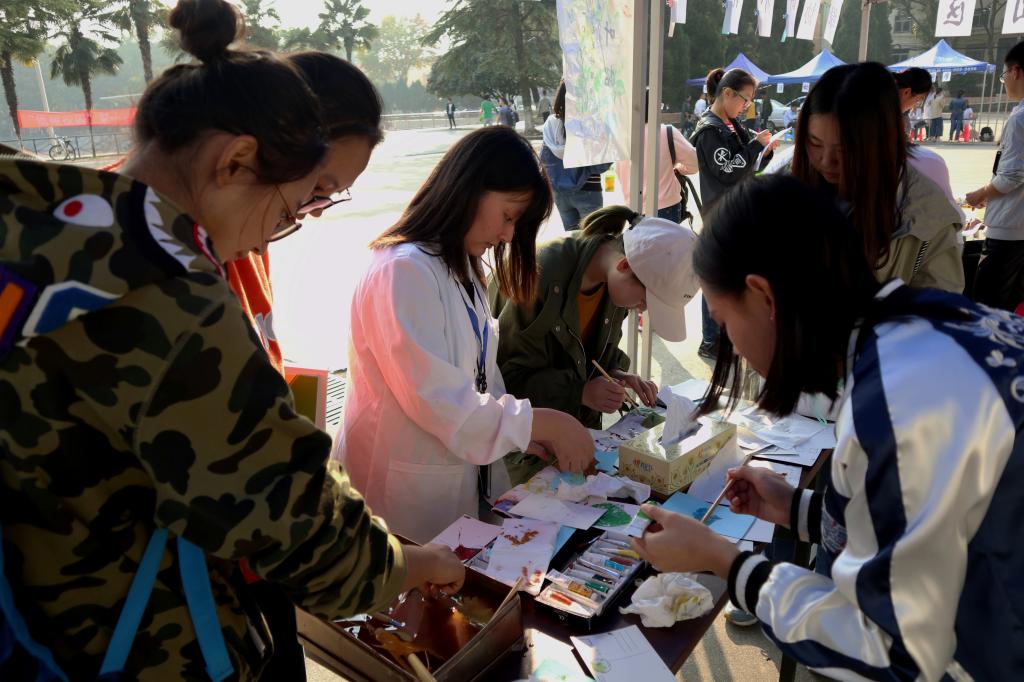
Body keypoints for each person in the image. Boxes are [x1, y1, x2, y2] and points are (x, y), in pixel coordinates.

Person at [0, 1, 465, 679]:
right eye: (288, 211)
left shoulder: (41, 219)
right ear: (237, 161)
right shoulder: (168, 293)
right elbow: (309, 536)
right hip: (122, 644)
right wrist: (411, 562)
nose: (263, 240)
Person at [630, 173, 1024, 681]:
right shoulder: (938, 322)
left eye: (724, 324)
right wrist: (800, 509)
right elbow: (918, 521)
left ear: (763, 297)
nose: (735, 349)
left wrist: (724, 561)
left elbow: (891, 647)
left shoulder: (893, 403)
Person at [334, 127, 596, 543]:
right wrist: (540, 423)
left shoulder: (463, 265)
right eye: (508, 216)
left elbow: (481, 379)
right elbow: (440, 400)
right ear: (470, 188)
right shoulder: (404, 270)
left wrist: (517, 434)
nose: (508, 236)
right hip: (398, 495)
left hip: (452, 480)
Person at [221, 50, 384, 681]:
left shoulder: (243, 235)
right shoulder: (153, 260)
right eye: (313, 192)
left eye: (324, 201)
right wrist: (392, 565)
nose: (298, 217)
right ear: (246, 154)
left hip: (252, 557)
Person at [491, 207, 699, 483]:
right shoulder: (540, 274)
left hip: (575, 438)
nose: (641, 310)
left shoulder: (613, 282)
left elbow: (586, 356)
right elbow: (504, 381)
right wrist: (580, 392)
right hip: (524, 446)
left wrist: (616, 373)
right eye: (643, 301)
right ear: (624, 266)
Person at [787, 63, 964, 293]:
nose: (826, 161)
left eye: (844, 149)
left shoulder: (928, 217)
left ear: (882, 142)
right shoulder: (781, 186)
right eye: (815, 143)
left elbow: (939, 308)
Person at [690, 67, 777, 360]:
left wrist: (764, 152)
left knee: (730, 277)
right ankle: (711, 340)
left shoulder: (731, 124)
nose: (746, 107)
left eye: (750, 101)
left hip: (735, 211)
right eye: (745, 99)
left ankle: (724, 337)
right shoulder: (709, 130)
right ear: (727, 93)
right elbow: (728, 170)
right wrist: (755, 147)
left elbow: (747, 166)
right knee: (716, 277)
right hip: (719, 214)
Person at [966, 40, 1024, 311]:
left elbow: (1011, 176)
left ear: (1016, 71)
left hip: (1009, 229)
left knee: (987, 307)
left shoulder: (1020, 119)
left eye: (1004, 75)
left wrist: (981, 194)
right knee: (1011, 305)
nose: (1004, 82)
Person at [541, 81, 611, 230]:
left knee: (572, 239)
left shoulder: (551, 124)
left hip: (560, 192)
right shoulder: (589, 124)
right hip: (588, 189)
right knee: (592, 238)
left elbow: (545, 161)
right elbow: (601, 167)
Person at [613, 103, 699, 224]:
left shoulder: (621, 138)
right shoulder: (666, 132)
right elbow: (694, 164)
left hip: (633, 210)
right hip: (666, 206)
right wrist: (676, 169)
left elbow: (620, 172)